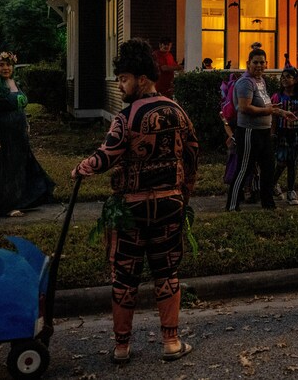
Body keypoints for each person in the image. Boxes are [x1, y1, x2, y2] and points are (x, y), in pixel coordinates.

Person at [72, 38, 199, 364]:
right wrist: (184, 193)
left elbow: (108, 154)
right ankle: (171, 342)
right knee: (166, 272)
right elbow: (192, 154)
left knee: (125, 276)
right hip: (170, 204)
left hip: (131, 209)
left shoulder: (125, 117)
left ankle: (122, 346)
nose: (120, 85)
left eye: (124, 79)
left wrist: (83, 168)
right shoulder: (178, 112)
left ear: (142, 79)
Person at [0, 51, 55, 218]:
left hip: (18, 136)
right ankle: (6, 205)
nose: (6, 68)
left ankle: (20, 200)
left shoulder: (14, 83)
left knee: (19, 168)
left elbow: (19, 107)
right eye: (1, 65)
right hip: (3, 136)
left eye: (8, 65)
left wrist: (25, 124)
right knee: (6, 171)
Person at [226, 48, 297, 211]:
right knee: (244, 169)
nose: (259, 65)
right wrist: (270, 111)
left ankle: (268, 204)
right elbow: (244, 107)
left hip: (264, 131)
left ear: (266, 64)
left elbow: (265, 105)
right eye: (255, 62)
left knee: (268, 168)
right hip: (249, 131)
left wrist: (280, 112)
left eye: (262, 62)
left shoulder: (261, 81)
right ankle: (232, 206)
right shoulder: (245, 82)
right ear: (248, 64)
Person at [272, 66, 298, 206]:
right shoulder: (278, 97)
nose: (284, 80)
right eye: (282, 77)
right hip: (282, 133)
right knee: (281, 162)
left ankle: (291, 191)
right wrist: (272, 133)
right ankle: (272, 183)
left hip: (296, 133)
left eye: (288, 77)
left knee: (292, 162)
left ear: (295, 80)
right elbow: (274, 117)